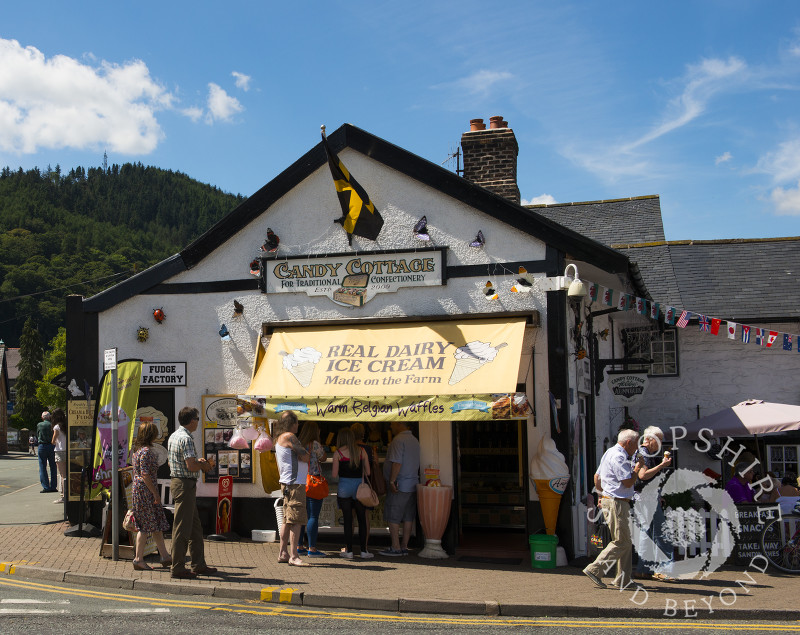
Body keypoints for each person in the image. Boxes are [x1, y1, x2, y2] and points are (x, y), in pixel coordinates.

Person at [583, 428, 643, 589]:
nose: (637, 448)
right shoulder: (619, 456)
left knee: (625, 541)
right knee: (622, 541)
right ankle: (595, 569)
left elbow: (597, 477)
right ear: (628, 442)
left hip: (613, 500)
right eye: (636, 444)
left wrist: (600, 497)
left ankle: (623, 579)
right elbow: (628, 482)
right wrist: (638, 468)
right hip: (617, 502)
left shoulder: (609, 452)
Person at [167, 406, 216, 579]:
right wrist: (204, 465)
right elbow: (191, 466)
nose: (198, 422)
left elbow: (179, 462)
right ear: (192, 420)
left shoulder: (174, 435)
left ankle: (198, 564)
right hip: (185, 485)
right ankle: (178, 567)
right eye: (197, 418)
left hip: (180, 483)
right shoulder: (186, 438)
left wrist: (198, 462)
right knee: (181, 528)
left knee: (195, 527)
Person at [631, 426, 673, 582]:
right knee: (661, 534)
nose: (660, 443)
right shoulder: (644, 453)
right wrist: (662, 465)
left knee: (646, 533)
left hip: (644, 498)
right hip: (646, 499)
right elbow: (643, 475)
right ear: (648, 439)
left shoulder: (646, 453)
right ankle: (663, 569)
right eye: (658, 440)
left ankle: (644, 570)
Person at [131, 421, 172, 571]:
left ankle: (165, 556)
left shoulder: (137, 452)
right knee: (145, 526)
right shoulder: (147, 452)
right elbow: (146, 474)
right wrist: (155, 493)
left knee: (155, 524)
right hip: (146, 492)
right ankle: (138, 559)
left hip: (139, 490)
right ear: (151, 435)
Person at [379, 421, 420, 557]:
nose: (390, 426)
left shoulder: (398, 440)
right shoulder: (414, 440)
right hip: (413, 483)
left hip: (400, 485)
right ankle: (404, 546)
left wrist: (392, 481)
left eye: (392, 423)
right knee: (408, 517)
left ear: (398, 423)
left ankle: (395, 547)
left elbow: (397, 462)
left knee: (394, 516)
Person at [275, 410, 310, 566]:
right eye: (297, 422)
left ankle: (283, 552)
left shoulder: (279, 438)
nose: (298, 425)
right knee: (296, 520)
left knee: (287, 520)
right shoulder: (290, 437)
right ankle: (294, 555)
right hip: (295, 483)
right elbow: (305, 456)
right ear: (293, 423)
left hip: (288, 482)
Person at [332, 427, 372, 559]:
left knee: (348, 520)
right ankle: (363, 551)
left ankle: (349, 551)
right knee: (362, 519)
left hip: (344, 487)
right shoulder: (361, 451)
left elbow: (334, 474)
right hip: (359, 487)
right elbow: (368, 472)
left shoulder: (338, 453)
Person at [297, 420, 327, 557]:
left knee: (301, 516)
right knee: (312, 516)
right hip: (313, 481)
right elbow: (324, 458)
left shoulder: (297, 443)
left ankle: (299, 546)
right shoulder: (315, 444)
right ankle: (312, 548)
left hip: (300, 482)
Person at [351, 422, 378, 552]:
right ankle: (365, 546)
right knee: (365, 516)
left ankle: (348, 546)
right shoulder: (369, 449)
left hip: (351, 484)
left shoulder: (348, 448)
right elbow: (372, 467)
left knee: (351, 516)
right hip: (365, 486)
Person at [36, 411, 58, 493]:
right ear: (49, 417)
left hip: (42, 446)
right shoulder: (52, 425)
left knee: (42, 466)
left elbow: (38, 434)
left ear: (42, 417)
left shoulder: (39, 425)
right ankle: (53, 486)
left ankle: (46, 486)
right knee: (53, 466)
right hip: (52, 445)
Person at [50, 409, 68, 503]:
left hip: (60, 451)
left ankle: (64, 496)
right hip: (68, 451)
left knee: (62, 475)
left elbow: (53, 440)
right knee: (68, 474)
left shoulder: (57, 427)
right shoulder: (66, 425)